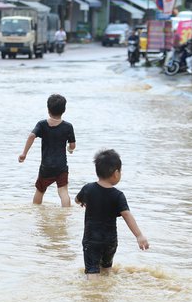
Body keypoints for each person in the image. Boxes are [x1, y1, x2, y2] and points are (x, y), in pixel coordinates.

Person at [75, 149, 149, 279]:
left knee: (92, 271)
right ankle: (107, 290)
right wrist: (139, 235)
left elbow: (77, 200)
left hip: (91, 240)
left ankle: (93, 295)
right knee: (107, 269)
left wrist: (83, 202)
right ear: (116, 173)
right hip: (110, 241)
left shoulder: (88, 189)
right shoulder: (118, 195)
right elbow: (127, 215)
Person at [18, 94, 76, 207]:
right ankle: (65, 215)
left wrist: (24, 153)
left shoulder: (42, 124)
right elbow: (72, 145)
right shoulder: (68, 126)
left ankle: (36, 211)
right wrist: (69, 149)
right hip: (61, 166)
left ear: (48, 110)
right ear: (64, 110)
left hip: (46, 166)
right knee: (63, 192)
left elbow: (31, 136)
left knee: (40, 190)